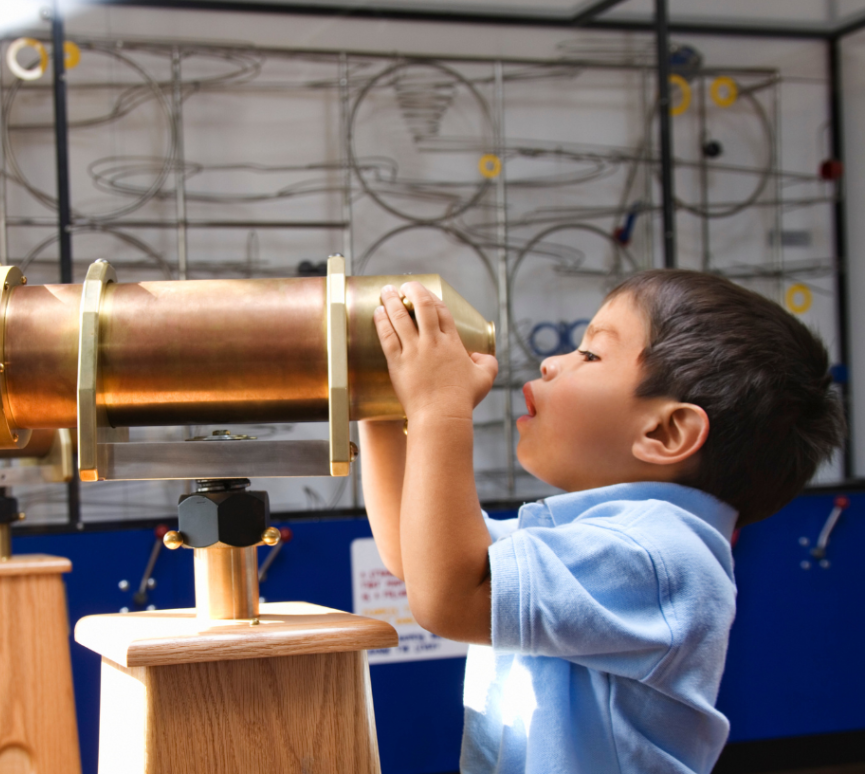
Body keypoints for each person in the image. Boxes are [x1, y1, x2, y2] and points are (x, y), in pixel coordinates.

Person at [360, 269, 844, 774]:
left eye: (589, 355)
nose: (550, 363)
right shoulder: (598, 540)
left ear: (666, 432)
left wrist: (439, 407)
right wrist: (379, 401)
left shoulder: (659, 557)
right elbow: (416, 556)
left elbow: (449, 594)